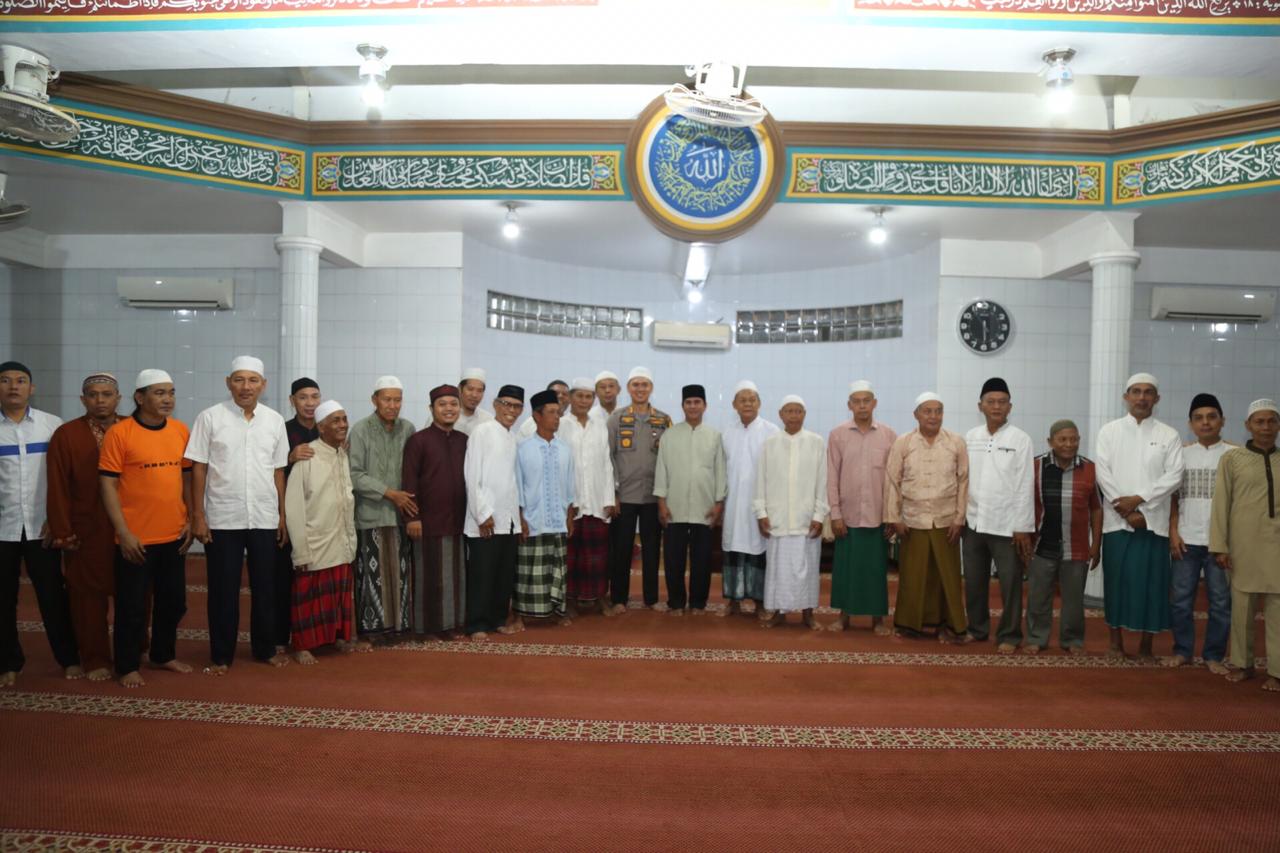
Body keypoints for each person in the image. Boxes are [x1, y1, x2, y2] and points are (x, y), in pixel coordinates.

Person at [186, 355, 290, 675]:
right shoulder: (210, 418)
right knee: (223, 590)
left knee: (265, 588)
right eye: (239, 380)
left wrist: (282, 515)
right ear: (228, 383)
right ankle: (221, 656)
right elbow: (198, 468)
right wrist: (198, 515)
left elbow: (278, 471)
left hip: (264, 516)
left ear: (263, 385)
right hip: (222, 517)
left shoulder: (274, 421)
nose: (246, 387)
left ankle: (265, 648)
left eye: (253, 380)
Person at [99, 369, 194, 688]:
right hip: (135, 539)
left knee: (174, 602)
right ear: (140, 397)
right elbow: (108, 485)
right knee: (132, 606)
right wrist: (123, 532)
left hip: (174, 536)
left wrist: (191, 519)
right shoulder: (120, 433)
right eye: (159, 393)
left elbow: (186, 478)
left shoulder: (180, 430)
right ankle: (126, 665)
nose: (168, 399)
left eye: (171, 392)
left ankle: (162, 654)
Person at [0, 361, 81, 686]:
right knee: (3, 600)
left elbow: (67, 477)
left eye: (21, 381)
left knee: (53, 596)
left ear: (32, 388)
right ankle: (9, 663)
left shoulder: (51, 426)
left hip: (42, 527)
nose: (13, 387)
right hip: (3, 530)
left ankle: (69, 658)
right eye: (6, 381)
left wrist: (58, 518)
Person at [1094, 373, 1184, 662]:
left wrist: (1140, 501)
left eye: (1148, 392)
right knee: (1116, 582)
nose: (1142, 397)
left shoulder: (1169, 435)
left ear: (1157, 398)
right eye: (1136, 391)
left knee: (1153, 585)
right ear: (1126, 397)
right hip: (1117, 522)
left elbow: (1174, 476)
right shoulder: (1109, 431)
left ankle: (1146, 646)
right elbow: (1103, 474)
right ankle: (1115, 644)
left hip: (1154, 522)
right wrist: (1127, 510)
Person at [46, 372, 122, 682]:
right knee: (87, 598)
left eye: (107, 394)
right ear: (83, 399)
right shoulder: (67, 435)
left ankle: (134, 650)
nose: (100, 400)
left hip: (131, 528)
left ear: (118, 398)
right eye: (93, 394)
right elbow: (57, 486)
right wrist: (62, 531)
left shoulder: (132, 429)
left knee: (136, 594)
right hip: (85, 529)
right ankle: (95, 657)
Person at [884, 392, 969, 643]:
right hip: (913, 521)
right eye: (927, 411)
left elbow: (964, 482)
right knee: (914, 576)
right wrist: (894, 517)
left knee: (947, 576)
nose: (933, 416)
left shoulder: (956, 442)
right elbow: (892, 481)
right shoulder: (903, 442)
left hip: (946, 521)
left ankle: (951, 624)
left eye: (938, 411)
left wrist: (959, 519)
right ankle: (910, 624)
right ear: (916, 415)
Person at [1210, 398, 1280, 691]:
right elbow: (1221, 503)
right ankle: (1243, 664)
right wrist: (1220, 546)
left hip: (1277, 545)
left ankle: (1277, 671)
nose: (1266, 427)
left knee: (1278, 610)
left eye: (1271, 421)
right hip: (1243, 545)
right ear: (1248, 425)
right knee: (1242, 608)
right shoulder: (1232, 459)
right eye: (1259, 421)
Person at [284, 400, 361, 664]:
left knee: (338, 592)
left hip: (341, 537)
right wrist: (300, 549)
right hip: (315, 540)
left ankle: (336, 637)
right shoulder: (307, 457)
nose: (343, 425)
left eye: (344, 419)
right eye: (336, 421)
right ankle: (303, 645)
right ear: (321, 427)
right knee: (308, 595)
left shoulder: (342, 455)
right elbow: (294, 507)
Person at [962, 377, 1035, 654]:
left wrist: (1022, 526)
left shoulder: (1020, 439)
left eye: (1002, 402)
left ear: (1010, 407)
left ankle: (1010, 634)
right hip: (973, 522)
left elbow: (1025, 484)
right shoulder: (970, 437)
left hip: (1007, 525)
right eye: (990, 402)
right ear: (980, 406)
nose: (996, 406)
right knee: (974, 581)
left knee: (1010, 583)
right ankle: (977, 628)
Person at [1166, 393, 1233, 671]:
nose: (1205, 423)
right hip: (1186, 540)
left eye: (1211, 417)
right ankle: (1183, 651)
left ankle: (1213, 656)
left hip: (1220, 543)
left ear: (1222, 421)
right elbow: (1172, 498)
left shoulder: (1235, 455)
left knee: (1220, 603)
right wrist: (1173, 532)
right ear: (1190, 424)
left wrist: (1229, 542)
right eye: (1199, 418)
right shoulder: (1181, 454)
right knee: (1180, 601)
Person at [348, 375, 417, 643]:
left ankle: (399, 627)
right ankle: (372, 629)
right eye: (387, 399)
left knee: (400, 574)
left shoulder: (408, 429)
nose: (392, 405)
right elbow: (354, 474)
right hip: (371, 515)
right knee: (371, 575)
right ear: (374, 400)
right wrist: (389, 493)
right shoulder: (360, 430)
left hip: (400, 516)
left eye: (397, 400)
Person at [826, 380, 896, 635]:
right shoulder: (838, 435)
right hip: (848, 516)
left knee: (876, 571)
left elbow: (893, 480)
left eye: (867, 401)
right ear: (849, 405)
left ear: (874, 403)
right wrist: (835, 514)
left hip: (877, 516)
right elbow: (832, 477)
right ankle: (843, 617)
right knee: (846, 570)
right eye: (857, 401)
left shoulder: (889, 435)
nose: (862, 406)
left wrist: (891, 515)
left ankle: (878, 620)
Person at [1027, 420, 1101, 656]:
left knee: (1074, 599)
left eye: (1074, 439)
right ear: (1050, 442)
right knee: (1038, 596)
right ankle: (1037, 638)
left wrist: (1096, 544)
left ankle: (1072, 640)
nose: (1069, 444)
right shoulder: (1035, 467)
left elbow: (1097, 509)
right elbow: (1024, 503)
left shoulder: (1090, 469)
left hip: (1076, 546)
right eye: (1063, 439)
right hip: (1041, 544)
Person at [755, 396, 829, 630]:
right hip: (778, 519)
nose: (794, 415)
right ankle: (778, 613)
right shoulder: (770, 443)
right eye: (789, 411)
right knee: (778, 571)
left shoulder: (816, 442)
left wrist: (819, 515)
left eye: (798, 411)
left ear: (804, 414)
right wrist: (761, 512)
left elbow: (822, 482)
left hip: (806, 519)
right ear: (781, 414)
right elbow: (760, 481)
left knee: (808, 569)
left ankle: (808, 614)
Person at [402, 385, 468, 639]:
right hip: (427, 522)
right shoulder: (418, 441)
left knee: (455, 577)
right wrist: (413, 518)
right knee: (428, 577)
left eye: (453, 404)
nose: (449, 409)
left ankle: (451, 624)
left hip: (458, 520)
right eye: (442, 404)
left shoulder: (464, 441)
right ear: (432, 409)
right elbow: (409, 481)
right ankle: (426, 627)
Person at [654, 384, 726, 615]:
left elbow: (720, 471)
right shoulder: (670, 435)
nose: (693, 406)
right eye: (688, 402)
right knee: (673, 559)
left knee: (702, 559)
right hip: (674, 507)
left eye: (697, 402)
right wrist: (661, 503)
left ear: (705, 406)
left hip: (704, 507)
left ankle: (697, 603)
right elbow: (661, 470)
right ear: (682, 406)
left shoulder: (714, 436)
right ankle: (676, 602)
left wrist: (718, 504)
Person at [607, 367, 672, 614]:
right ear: (628, 388)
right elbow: (608, 457)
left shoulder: (664, 420)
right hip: (624, 495)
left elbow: (669, 460)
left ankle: (651, 598)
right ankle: (619, 599)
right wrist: (613, 493)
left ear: (651, 388)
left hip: (653, 496)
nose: (640, 389)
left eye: (645, 384)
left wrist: (665, 496)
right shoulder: (617, 418)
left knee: (652, 550)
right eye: (636, 384)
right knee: (621, 549)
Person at [464, 384, 525, 640]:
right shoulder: (482, 432)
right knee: (483, 573)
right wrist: (482, 514)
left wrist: (517, 518)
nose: (511, 410)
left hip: (508, 519)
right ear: (496, 405)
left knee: (503, 574)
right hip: (485, 518)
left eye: (517, 406)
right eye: (506, 404)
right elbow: (472, 475)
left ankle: (498, 619)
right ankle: (477, 624)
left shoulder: (513, 437)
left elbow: (512, 482)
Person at [512, 389, 576, 631]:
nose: (557, 417)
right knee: (527, 571)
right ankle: (520, 614)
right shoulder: (523, 448)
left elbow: (570, 487)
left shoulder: (565, 449)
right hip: (532, 519)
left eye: (558, 413)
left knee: (556, 569)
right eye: (551, 413)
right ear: (537, 416)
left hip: (558, 519)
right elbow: (518, 486)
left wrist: (569, 517)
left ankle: (557, 611)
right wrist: (521, 518)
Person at [721, 380, 778, 618]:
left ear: (759, 403)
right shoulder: (727, 432)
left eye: (752, 400)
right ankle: (732, 601)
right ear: (734, 405)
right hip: (733, 504)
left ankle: (759, 601)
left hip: (760, 505)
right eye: (742, 400)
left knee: (758, 552)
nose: (747, 404)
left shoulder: (771, 432)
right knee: (733, 550)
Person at [559, 377, 615, 616]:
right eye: (580, 396)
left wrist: (609, 499)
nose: (584, 401)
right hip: (571, 501)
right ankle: (570, 600)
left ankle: (599, 597)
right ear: (570, 398)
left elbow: (606, 464)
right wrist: (564, 502)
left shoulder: (600, 425)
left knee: (597, 555)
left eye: (588, 397)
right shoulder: (561, 424)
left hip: (596, 499)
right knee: (571, 555)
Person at [273, 377, 322, 657]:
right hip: (290, 514)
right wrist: (290, 458)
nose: (310, 403)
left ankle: (314, 635)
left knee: (316, 577)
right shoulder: (282, 430)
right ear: (292, 401)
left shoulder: (327, 429)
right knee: (284, 578)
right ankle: (280, 635)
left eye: (314, 397)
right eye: (303, 398)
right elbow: (271, 469)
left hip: (320, 516)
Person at [455, 368, 494, 436]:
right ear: (459, 389)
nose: (474, 395)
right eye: (470, 389)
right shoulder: (448, 416)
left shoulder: (488, 420)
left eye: (479, 391)